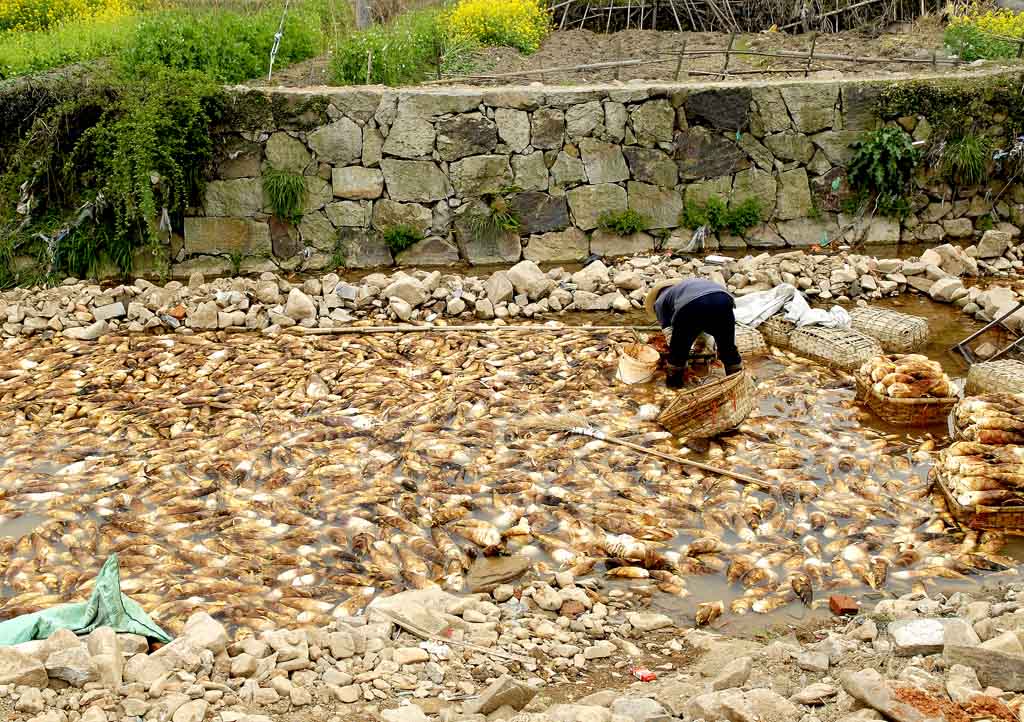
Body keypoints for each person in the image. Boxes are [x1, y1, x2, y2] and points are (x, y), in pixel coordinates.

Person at [644, 278, 743, 388]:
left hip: (691, 305)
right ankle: (737, 382)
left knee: (678, 352)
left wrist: (678, 351)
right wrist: (703, 341)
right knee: (727, 346)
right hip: (723, 298)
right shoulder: (684, 289)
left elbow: (669, 333)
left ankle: (674, 386)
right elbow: (702, 322)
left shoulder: (659, 302)